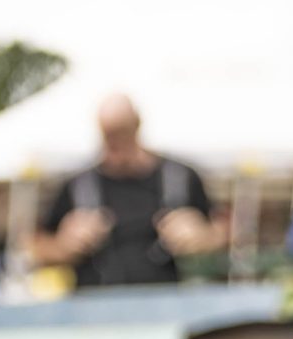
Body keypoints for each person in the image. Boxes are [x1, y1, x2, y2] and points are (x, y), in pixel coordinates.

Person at [30, 95, 224, 289]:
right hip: (93, 302)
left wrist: (203, 237)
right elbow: (36, 246)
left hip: (167, 299)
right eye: (108, 134)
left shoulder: (181, 177)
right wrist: (64, 246)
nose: (115, 143)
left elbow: (225, 232)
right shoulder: (77, 184)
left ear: (137, 126)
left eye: (122, 132)